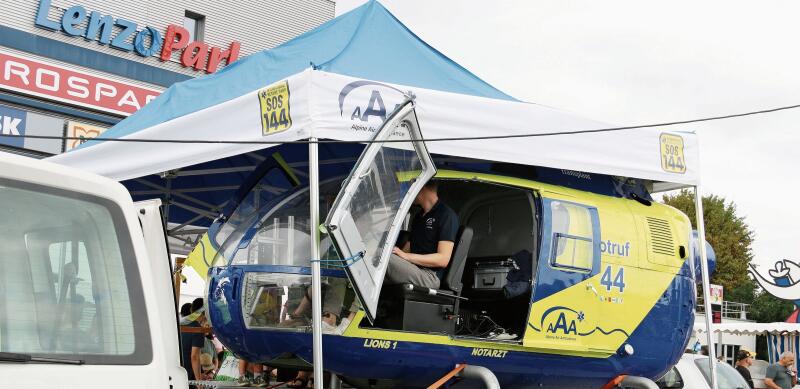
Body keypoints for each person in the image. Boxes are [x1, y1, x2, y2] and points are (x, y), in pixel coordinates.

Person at [387, 180, 459, 289]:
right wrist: (394, 252)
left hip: (429, 276)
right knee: (379, 257)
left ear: (421, 186)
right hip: (413, 268)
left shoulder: (446, 216)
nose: (409, 190)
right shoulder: (418, 217)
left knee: (382, 259)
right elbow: (407, 249)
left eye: (411, 185)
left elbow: (443, 259)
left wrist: (406, 256)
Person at [181, 298, 211, 384]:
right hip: (188, 374)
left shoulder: (180, 324)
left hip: (176, 371)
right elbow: (194, 356)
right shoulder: (198, 330)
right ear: (204, 312)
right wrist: (199, 381)